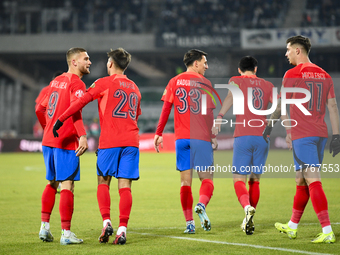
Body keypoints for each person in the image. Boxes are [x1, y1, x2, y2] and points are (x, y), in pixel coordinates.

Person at [53, 48, 141, 245]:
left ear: (110, 64)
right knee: (125, 186)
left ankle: (107, 221)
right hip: (131, 142)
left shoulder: (103, 83)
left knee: (103, 182)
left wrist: (61, 119)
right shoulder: (135, 87)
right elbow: (136, 114)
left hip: (110, 142)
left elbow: (80, 102)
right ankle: (122, 229)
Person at [263, 35, 340, 243]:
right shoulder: (325, 75)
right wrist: (337, 136)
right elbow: (332, 107)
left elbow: (280, 107)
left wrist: (268, 128)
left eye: (288, 50)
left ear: (298, 50)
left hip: (303, 135)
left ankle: (327, 230)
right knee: (301, 180)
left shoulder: (292, 74)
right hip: (320, 134)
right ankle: (292, 226)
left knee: (313, 181)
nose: (286, 53)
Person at [154, 49, 217, 234]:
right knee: (207, 178)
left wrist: (159, 133)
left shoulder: (174, 81)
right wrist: (212, 137)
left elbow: (166, 109)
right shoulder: (205, 83)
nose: (207, 66)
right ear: (195, 63)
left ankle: (189, 223)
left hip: (181, 139)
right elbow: (209, 114)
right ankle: (201, 205)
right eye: (204, 62)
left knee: (185, 183)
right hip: (201, 138)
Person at [212, 56, 278, 235]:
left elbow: (230, 98)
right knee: (255, 180)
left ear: (239, 70)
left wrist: (219, 117)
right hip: (262, 137)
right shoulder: (268, 85)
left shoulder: (236, 81)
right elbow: (280, 107)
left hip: (243, 135)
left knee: (238, 178)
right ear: (256, 69)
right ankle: (249, 219)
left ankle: (247, 207)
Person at [35, 47, 91, 245]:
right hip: (65, 141)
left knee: (52, 182)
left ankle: (44, 228)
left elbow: (40, 108)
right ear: (74, 62)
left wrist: (48, 128)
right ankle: (66, 234)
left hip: (49, 141)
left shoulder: (55, 81)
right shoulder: (76, 83)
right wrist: (82, 136)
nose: (89, 62)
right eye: (86, 59)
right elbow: (75, 111)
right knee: (68, 184)